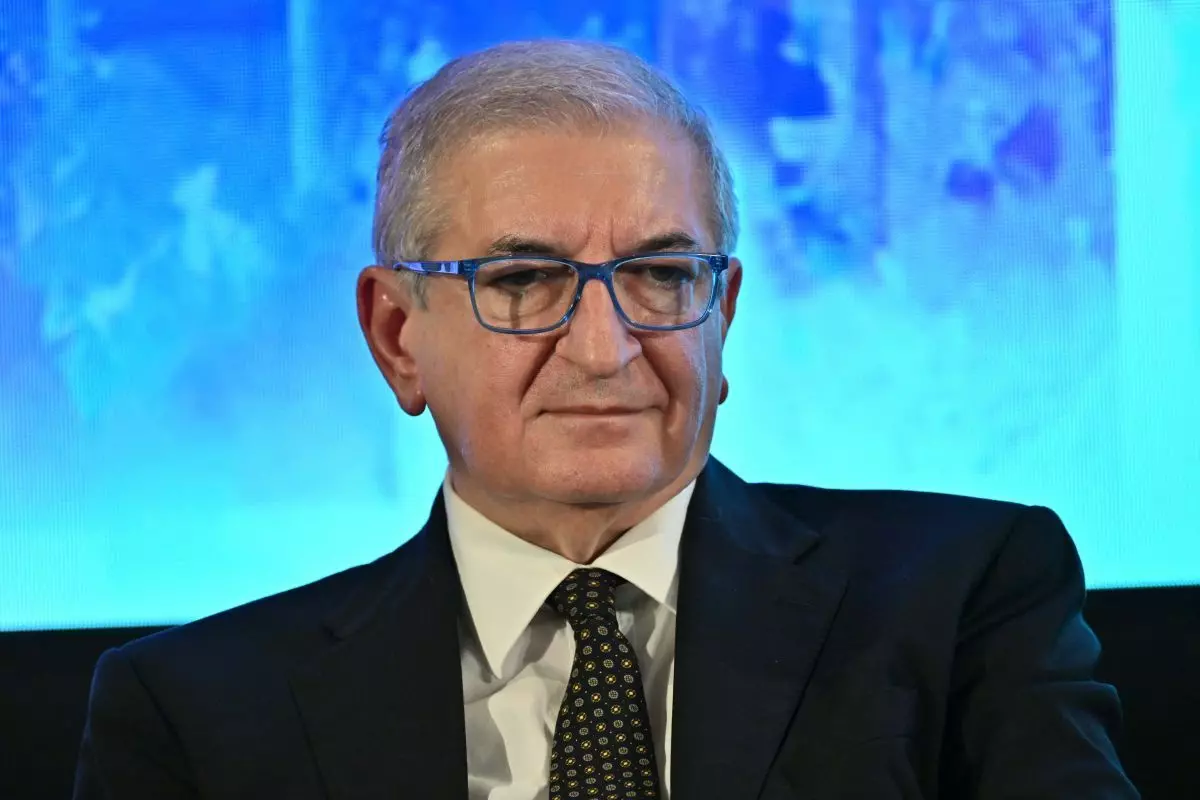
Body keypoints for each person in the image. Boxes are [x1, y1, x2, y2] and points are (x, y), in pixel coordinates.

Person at [73, 40, 1138, 799]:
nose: (604, 347)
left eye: (662, 274)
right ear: (398, 335)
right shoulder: (194, 712)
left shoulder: (964, 598)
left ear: (722, 315)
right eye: (523, 280)